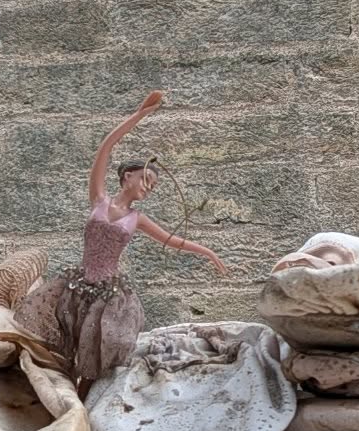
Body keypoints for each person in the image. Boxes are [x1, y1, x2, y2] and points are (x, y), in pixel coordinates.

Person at [15, 91, 230, 388]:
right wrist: (140, 115)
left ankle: (85, 401)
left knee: (98, 351)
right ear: (127, 176)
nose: (147, 188)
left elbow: (171, 240)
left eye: (152, 187)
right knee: (64, 344)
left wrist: (208, 252)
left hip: (109, 294)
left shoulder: (136, 219)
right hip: (77, 287)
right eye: (145, 179)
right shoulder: (99, 200)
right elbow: (106, 146)